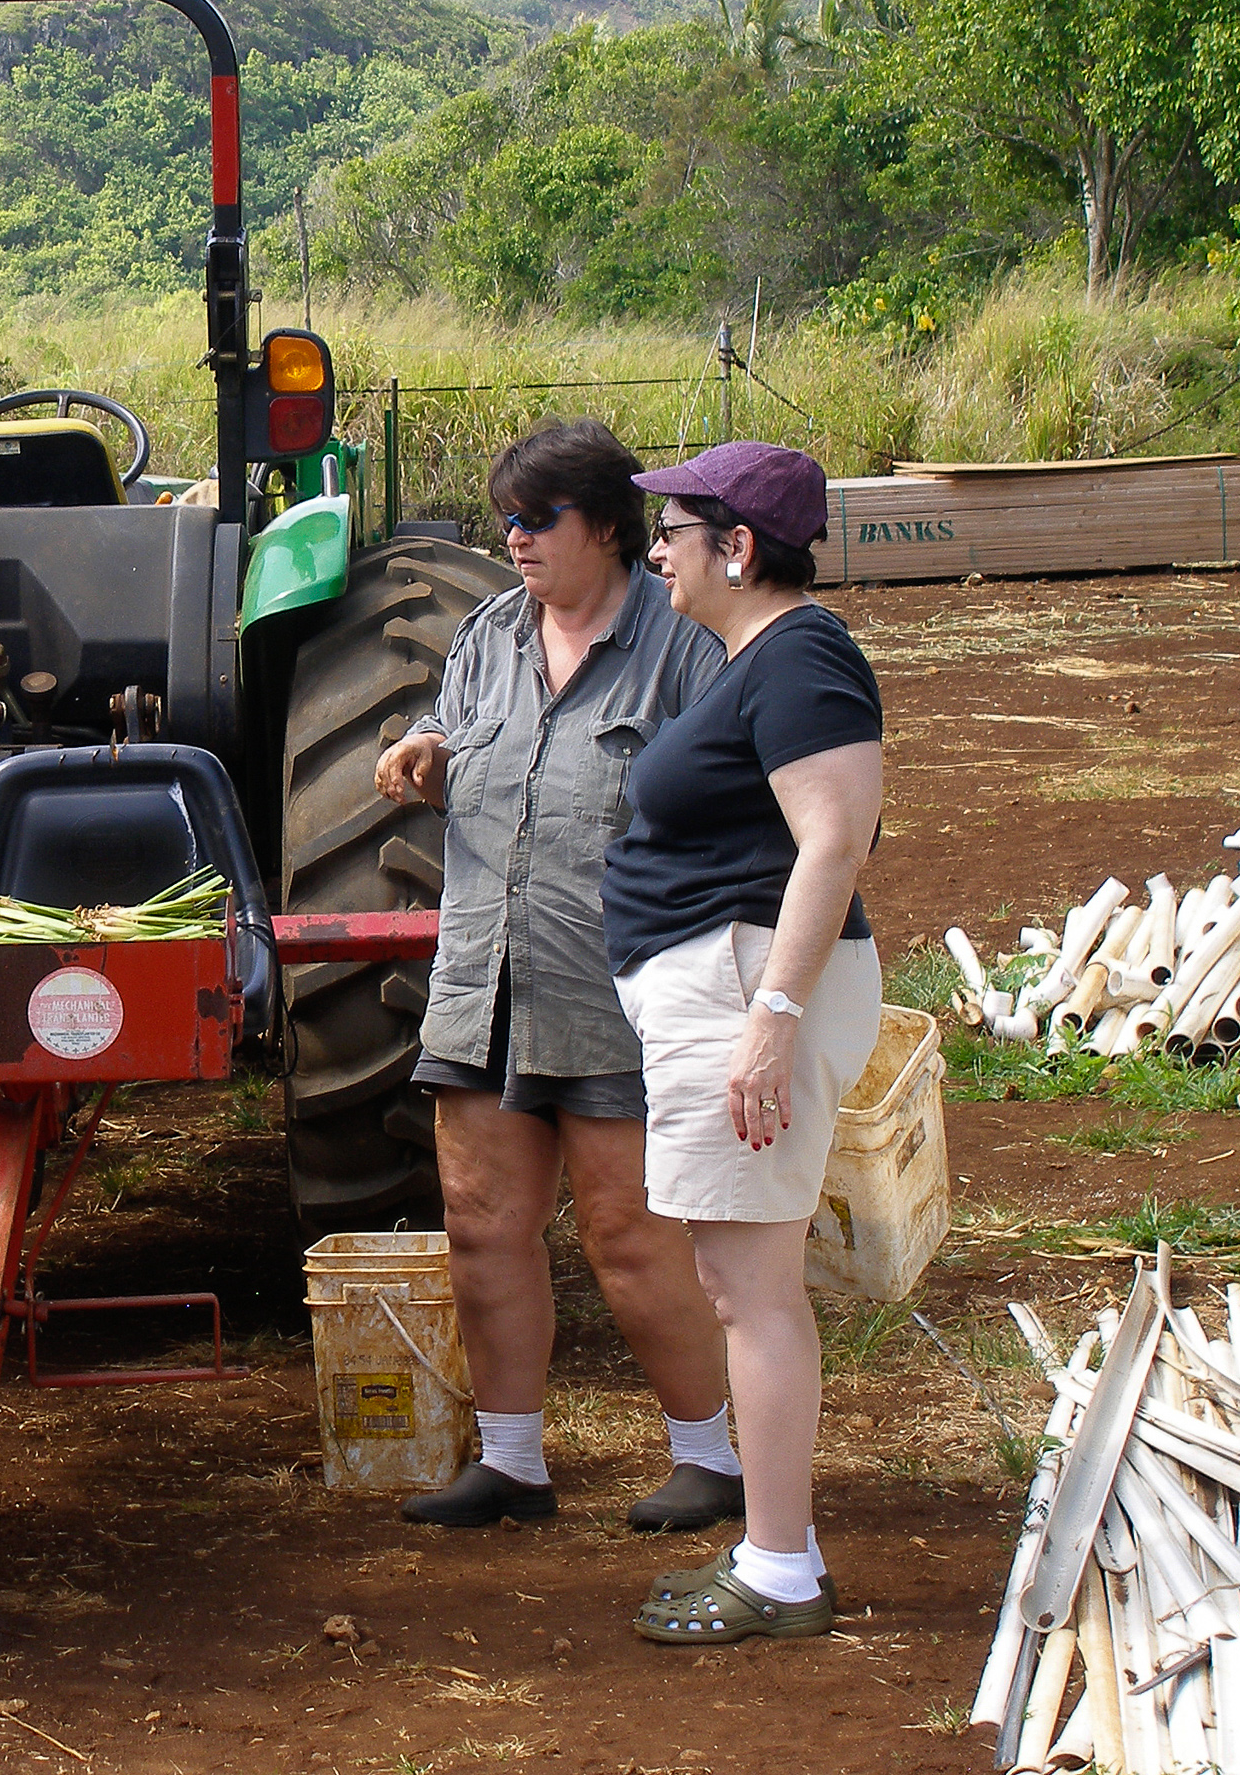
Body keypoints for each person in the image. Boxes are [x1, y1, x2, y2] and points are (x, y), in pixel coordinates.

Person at [373, 419, 738, 1535]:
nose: (515, 539)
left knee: (629, 1233)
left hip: (617, 985)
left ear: (610, 527)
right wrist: (427, 743)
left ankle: (710, 1454)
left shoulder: (685, 647)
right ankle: (512, 1462)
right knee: (482, 1223)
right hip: (483, 971)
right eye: (506, 520)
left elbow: (741, 802)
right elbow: (463, 721)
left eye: (538, 519)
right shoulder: (488, 630)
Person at [600, 440, 885, 1645]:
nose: (652, 545)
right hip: (723, 984)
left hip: (744, 988)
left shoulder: (804, 656)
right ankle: (776, 1548)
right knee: (737, 1282)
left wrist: (767, 1023)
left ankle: (778, 1566)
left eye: (672, 526)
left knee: (748, 1290)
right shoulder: (752, 656)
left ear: (738, 547)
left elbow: (833, 840)